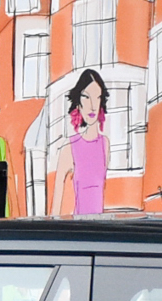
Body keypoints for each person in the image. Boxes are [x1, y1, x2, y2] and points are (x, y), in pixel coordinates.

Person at [54, 70, 111, 217]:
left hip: (100, 227)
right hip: (79, 227)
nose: (92, 106)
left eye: (97, 98)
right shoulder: (69, 148)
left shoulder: (105, 144)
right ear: (78, 103)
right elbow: (55, 209)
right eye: (86, 97)